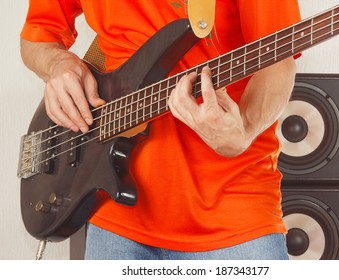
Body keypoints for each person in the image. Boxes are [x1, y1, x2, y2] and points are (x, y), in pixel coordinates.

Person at [20, 0, 301, 260]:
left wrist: (246, 129)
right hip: (114, 208)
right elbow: (38, 32)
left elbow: (278, 56)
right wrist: (57, 65)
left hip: (233, 210)